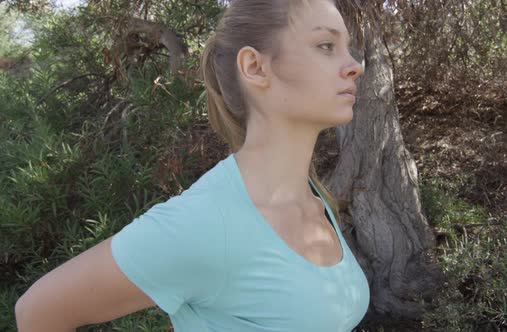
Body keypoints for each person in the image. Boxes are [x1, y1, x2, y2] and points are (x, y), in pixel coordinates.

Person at [14, 0, 369, 331]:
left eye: (347, 47)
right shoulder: (205, 223)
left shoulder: (312, 198)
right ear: (256, 67)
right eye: (326, 46)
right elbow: (37, 311)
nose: (355, 64)